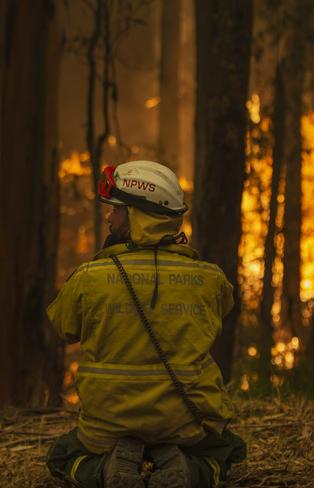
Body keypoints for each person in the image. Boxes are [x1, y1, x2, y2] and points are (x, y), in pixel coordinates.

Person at [46, 161, 246, 488]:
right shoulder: (211, 279)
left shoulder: (88, 278)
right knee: (228, 450)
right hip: (185, 423)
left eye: (117, 210)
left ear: (139, 215)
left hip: (108, 426)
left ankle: (108, 470)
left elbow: (63, 327)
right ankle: (186, 468)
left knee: (62, 455)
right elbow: (221, 313)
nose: (109, 217)